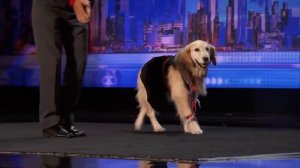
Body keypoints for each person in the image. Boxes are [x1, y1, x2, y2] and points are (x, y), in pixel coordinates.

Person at [31, 0, 92, 138]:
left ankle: (66, 120)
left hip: (75, 9)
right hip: (48, 6)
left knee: (78, 64)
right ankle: (51, 123)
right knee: (51, 65)